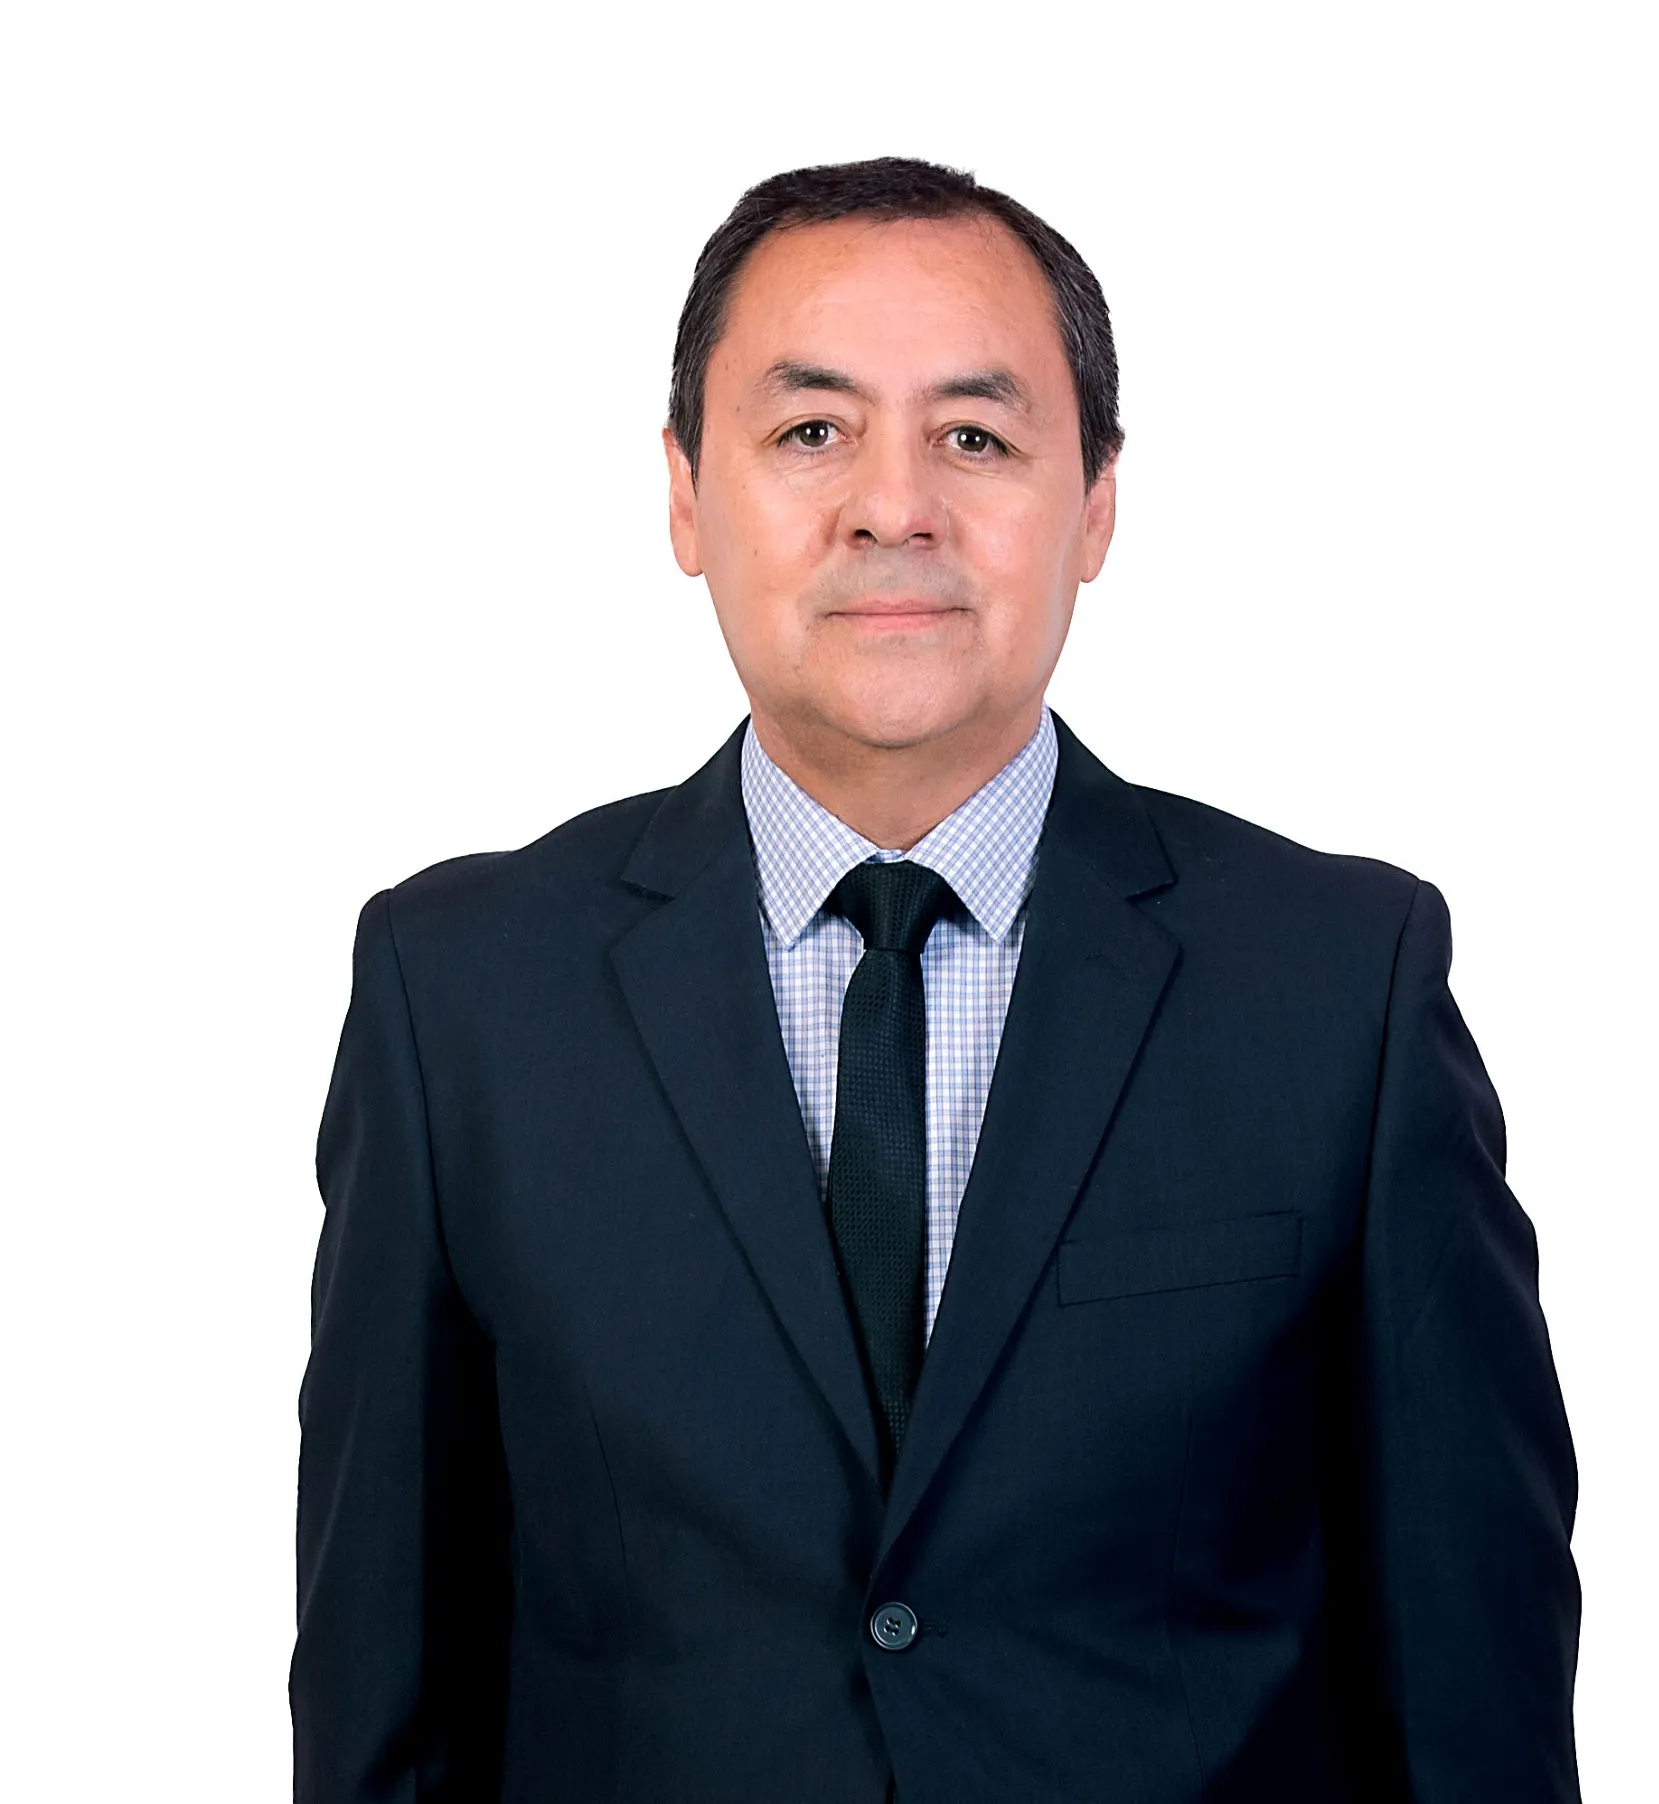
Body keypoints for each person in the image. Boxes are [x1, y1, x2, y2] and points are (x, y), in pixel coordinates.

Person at [292, 157, 1581, 1802]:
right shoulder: (462, 995)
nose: (893, 506)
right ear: (684, 494)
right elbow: (381, 1697)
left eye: (974, 437)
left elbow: (1477, 1701)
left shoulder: (1339, 990)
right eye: (810, 430)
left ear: (1095, 504)